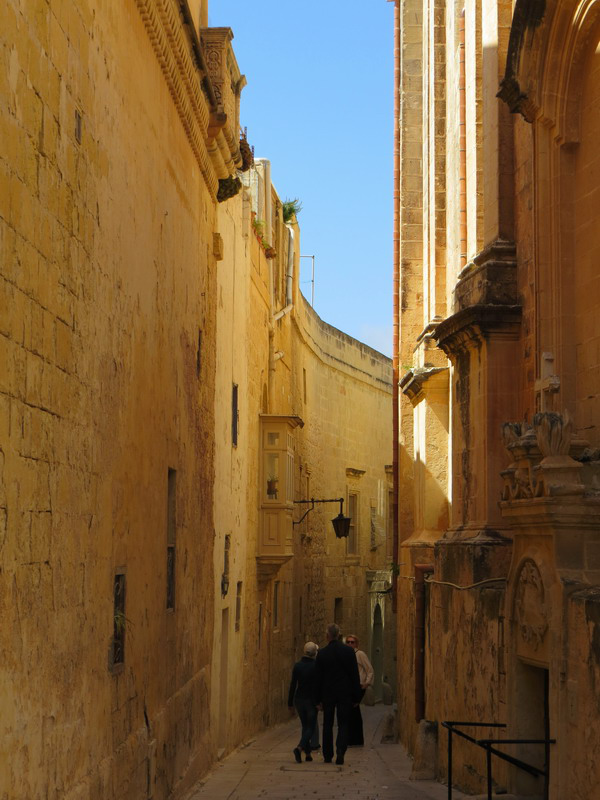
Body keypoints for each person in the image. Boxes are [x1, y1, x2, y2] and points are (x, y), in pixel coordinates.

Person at [314, 623, 361, 765]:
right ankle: (341, 750)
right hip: (344, 692)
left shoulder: (322, 653)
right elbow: (354, 675)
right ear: (339, 635)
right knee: (343, 723)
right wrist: (356, 696)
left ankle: (328, 755)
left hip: (328, 693)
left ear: (327, 636)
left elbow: (318, 678)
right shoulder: (348, 652)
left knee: (327, 724)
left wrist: (317, 699)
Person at [287, 641, 319, 763]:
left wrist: (290, 703)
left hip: (299, 699)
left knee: (305, 726)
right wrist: (319, 701)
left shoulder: (297, 666)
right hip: (311, 700)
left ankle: (308, 754)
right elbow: (318, 685)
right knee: (311, 726)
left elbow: (293, 685)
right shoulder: (316, 666)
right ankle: (299, 748)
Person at [345, 633, 374, 746]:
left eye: (352, 642)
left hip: (359, 686)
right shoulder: (346, 654)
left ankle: (354, 739)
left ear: (356, 644)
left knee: (353, 709)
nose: (350, 644)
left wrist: (367, 683)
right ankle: (355, 739)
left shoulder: (360, 654)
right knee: (353, 712)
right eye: (348, 642)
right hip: (350, 686)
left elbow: (369, 669)